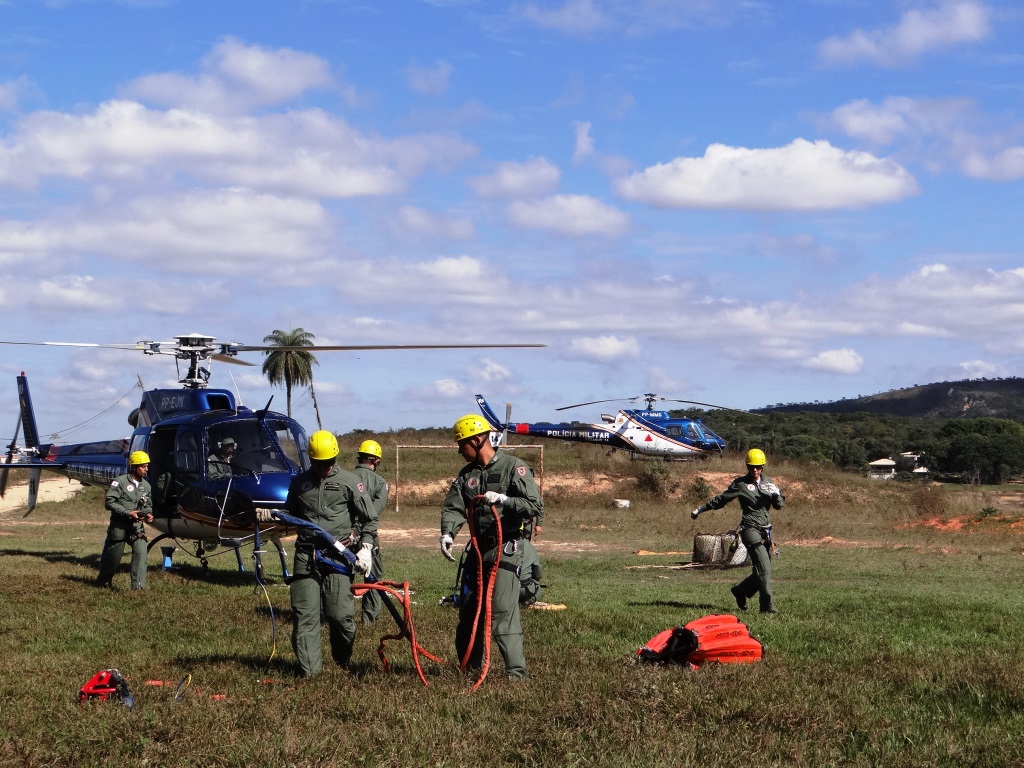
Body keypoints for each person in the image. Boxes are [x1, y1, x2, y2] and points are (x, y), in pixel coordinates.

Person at [440, 414, 544, 680]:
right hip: (477, 551)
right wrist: (448, 533)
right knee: (469, 611)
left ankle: (517, 675)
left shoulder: (513, 467)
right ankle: (470, 669)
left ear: (477, 440)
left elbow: (534, 506)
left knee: (501, 611)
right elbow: (454, 507)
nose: (459, 450)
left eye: (461, 444)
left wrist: (505, 500)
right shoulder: (467, 475)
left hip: (506, 547)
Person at [285, 430, 374, 677]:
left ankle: (342, 660)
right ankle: (310, 673)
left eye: (327, 463)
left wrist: (366, 546)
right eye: (317, 463)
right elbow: (288, 514)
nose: (323, 468)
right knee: (305, 616)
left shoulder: (350, 481)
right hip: (306, 556)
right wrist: (267, 516)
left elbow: (369, 518)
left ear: (335, 458)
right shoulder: (299, 484)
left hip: (338, 556)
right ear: (311, 460)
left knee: (340, 616)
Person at [690, 448, 784, 614]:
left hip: (766, 531)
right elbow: (721, 499)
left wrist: (777, 495)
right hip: (749, 529)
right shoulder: (740, 484)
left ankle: (740, 591)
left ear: (762, 466)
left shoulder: (768, 482)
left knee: (764, 569)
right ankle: (768, 609)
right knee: (764, 569)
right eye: (751, 467)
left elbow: (778, 506)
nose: (754, 470)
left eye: (758, 467)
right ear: (747, 466)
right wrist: (701, 509)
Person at [96, 450, 154, 590]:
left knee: (141, 553)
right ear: (134, 467)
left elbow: (148, 505)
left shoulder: (146, 486)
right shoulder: (120, 482)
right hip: (119, 526)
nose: (146, 469)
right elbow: (110, 502)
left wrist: (148, 514)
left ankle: (138, 588)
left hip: (137, 527)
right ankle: (103, 582)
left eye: (147, 466)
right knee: (113, 558)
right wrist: (128, 513)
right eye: (143, 466)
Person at [351, 438, 388, 623]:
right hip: (368, 535)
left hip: (345, 534)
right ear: (376, 460)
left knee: (342, 575)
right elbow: (373, 514)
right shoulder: (380, 482)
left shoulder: (345, 477)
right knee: (373, 575)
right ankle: (369, 618)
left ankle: (341, 616)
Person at [518, 537, 545, 607]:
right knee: (539, 589)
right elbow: (538, 572)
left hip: (501, 589)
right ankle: (524, 603)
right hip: (523, 588)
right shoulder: (527, 545)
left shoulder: (499, 545)